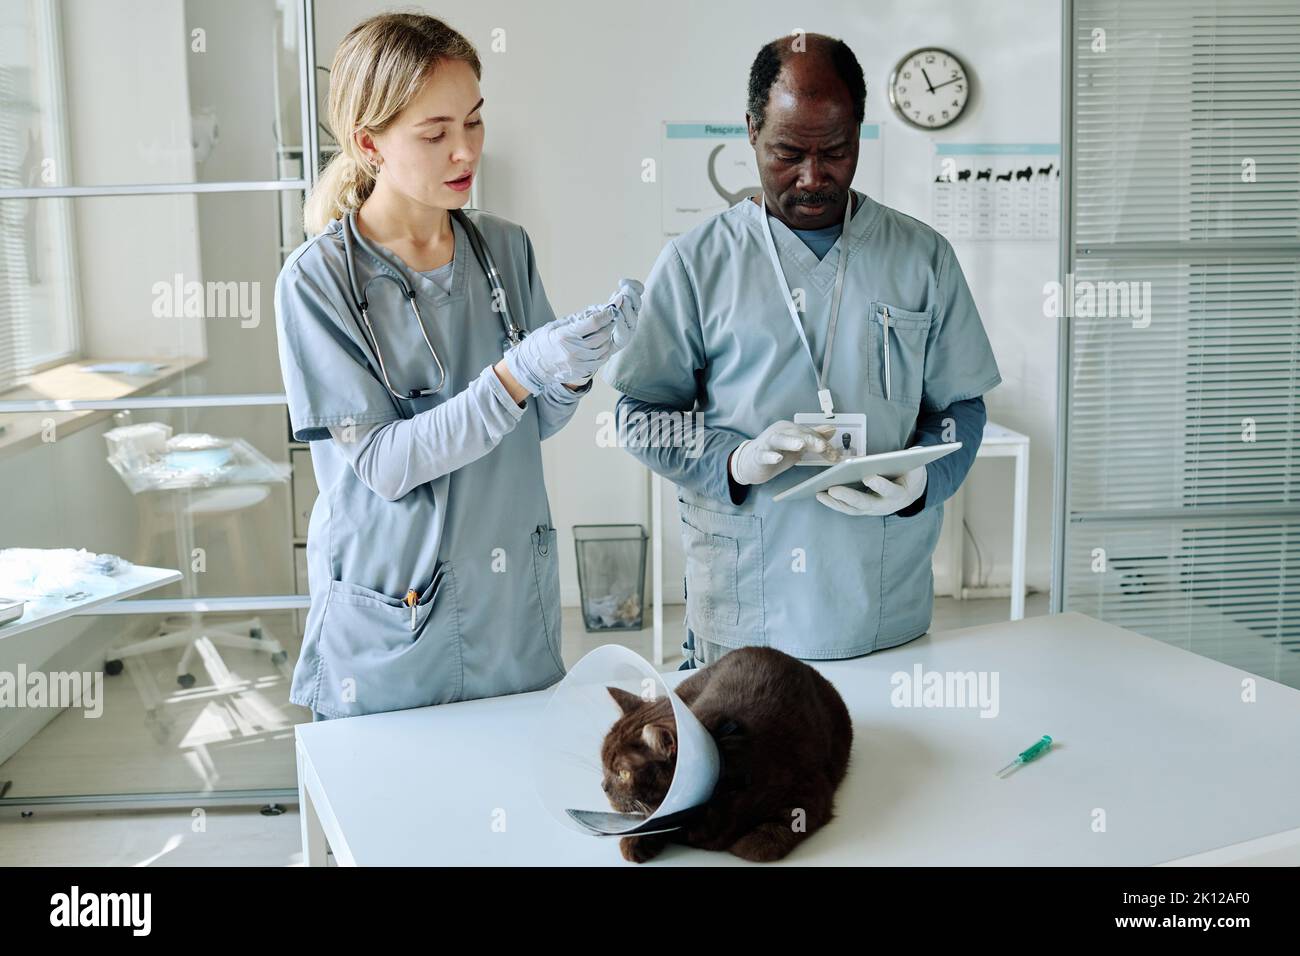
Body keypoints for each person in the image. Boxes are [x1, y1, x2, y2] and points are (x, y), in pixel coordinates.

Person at [274, 13, 641, 719]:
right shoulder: (316, 284)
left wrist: (571, 371)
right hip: (395, 627)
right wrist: (513, 376)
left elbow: (535, 426)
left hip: (510, 616)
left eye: (474, 122)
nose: (465, 150)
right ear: (369, 145)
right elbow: (384, 464)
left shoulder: (504, 248)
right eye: (435, 133)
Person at [603, 33, 1000, 668]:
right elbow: (640, 413)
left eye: (836, 152)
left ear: (860, 136)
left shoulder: (922, 258)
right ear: (752, 131)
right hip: (744, 605)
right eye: (788, 152)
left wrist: (926, 477)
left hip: (881, 598)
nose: (813, 178)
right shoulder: (695, 263)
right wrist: (731, 463)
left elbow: (960, 408)